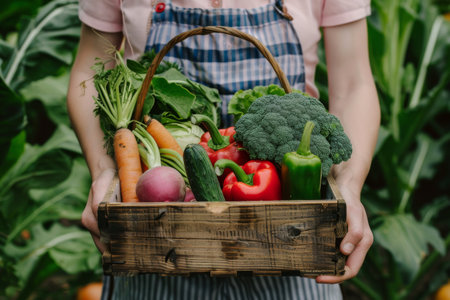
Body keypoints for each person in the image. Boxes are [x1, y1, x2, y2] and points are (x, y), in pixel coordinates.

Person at [67, 0, 380, 299]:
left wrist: (349, 188)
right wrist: (104, 171)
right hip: (157, 237)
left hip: (293, 242)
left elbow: (354, 84)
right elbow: (90, 72)